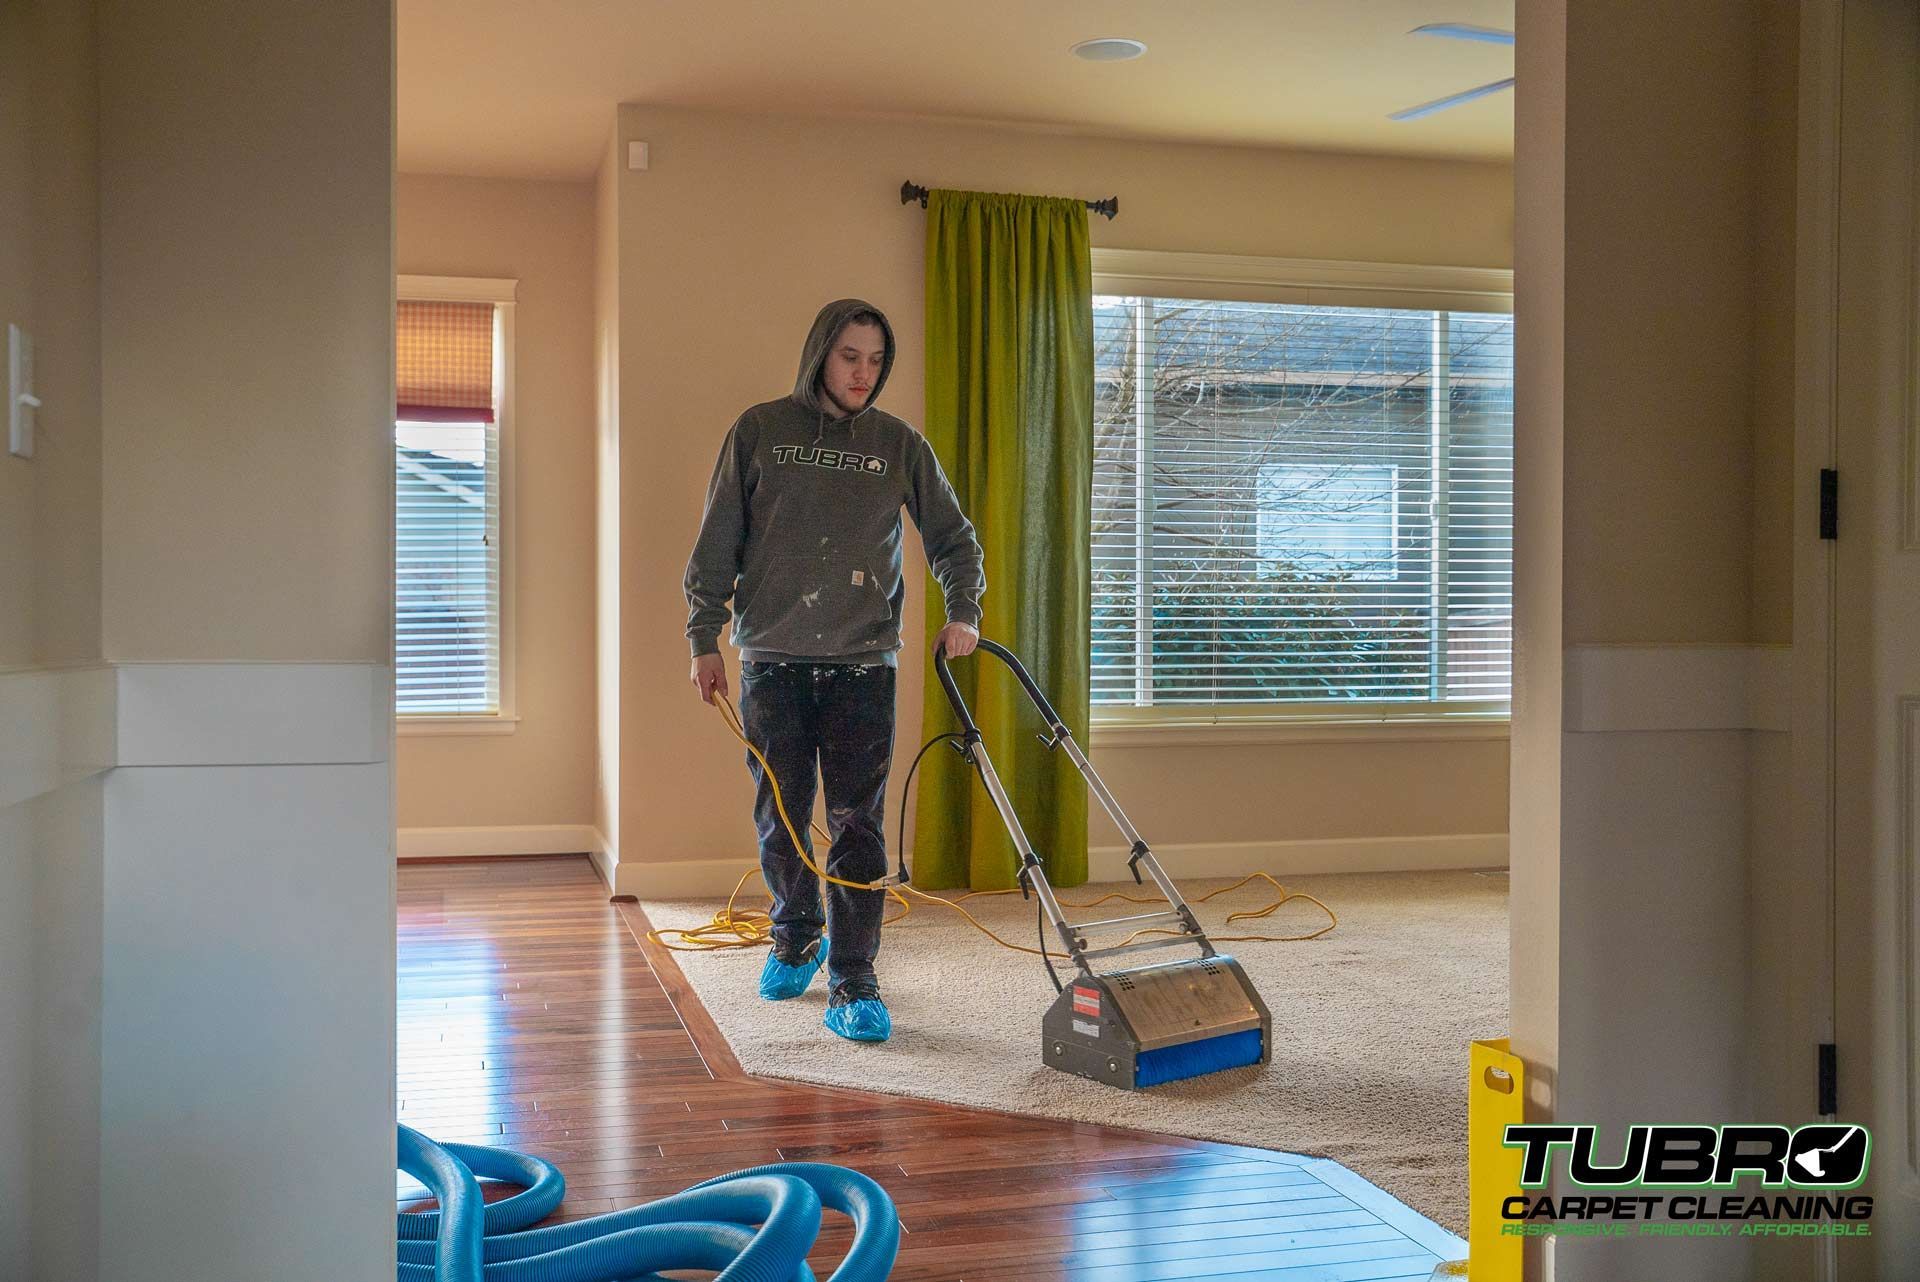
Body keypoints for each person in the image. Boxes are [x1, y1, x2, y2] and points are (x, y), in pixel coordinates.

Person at [684, 298, 985, 1043]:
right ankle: (796, 935)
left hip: (862, 665)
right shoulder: (761, 431)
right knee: (781, 814)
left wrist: (965, 611)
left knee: (857, 826)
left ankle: (854, 974)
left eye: (877, 360)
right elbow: (718, 537)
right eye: (851, 355)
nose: (863, 372)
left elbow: (954, 537)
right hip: (772, 662)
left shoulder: (896, 444)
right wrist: (703, 636)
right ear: (821, 351)